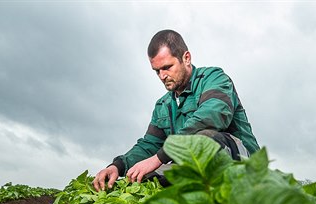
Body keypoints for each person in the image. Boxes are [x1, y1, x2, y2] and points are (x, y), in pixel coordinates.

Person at [93, 29, 260, 191]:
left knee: (204, 140)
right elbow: (150, 144)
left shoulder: (214, 78)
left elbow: (211, 117)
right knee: (144, 177)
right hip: (197, 166)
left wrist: (159, 158)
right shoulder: (163, 105)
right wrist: (118, 166)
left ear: (186, 58)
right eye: (157, 71)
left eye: (167, 67)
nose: (162, 76)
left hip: (244, 164)